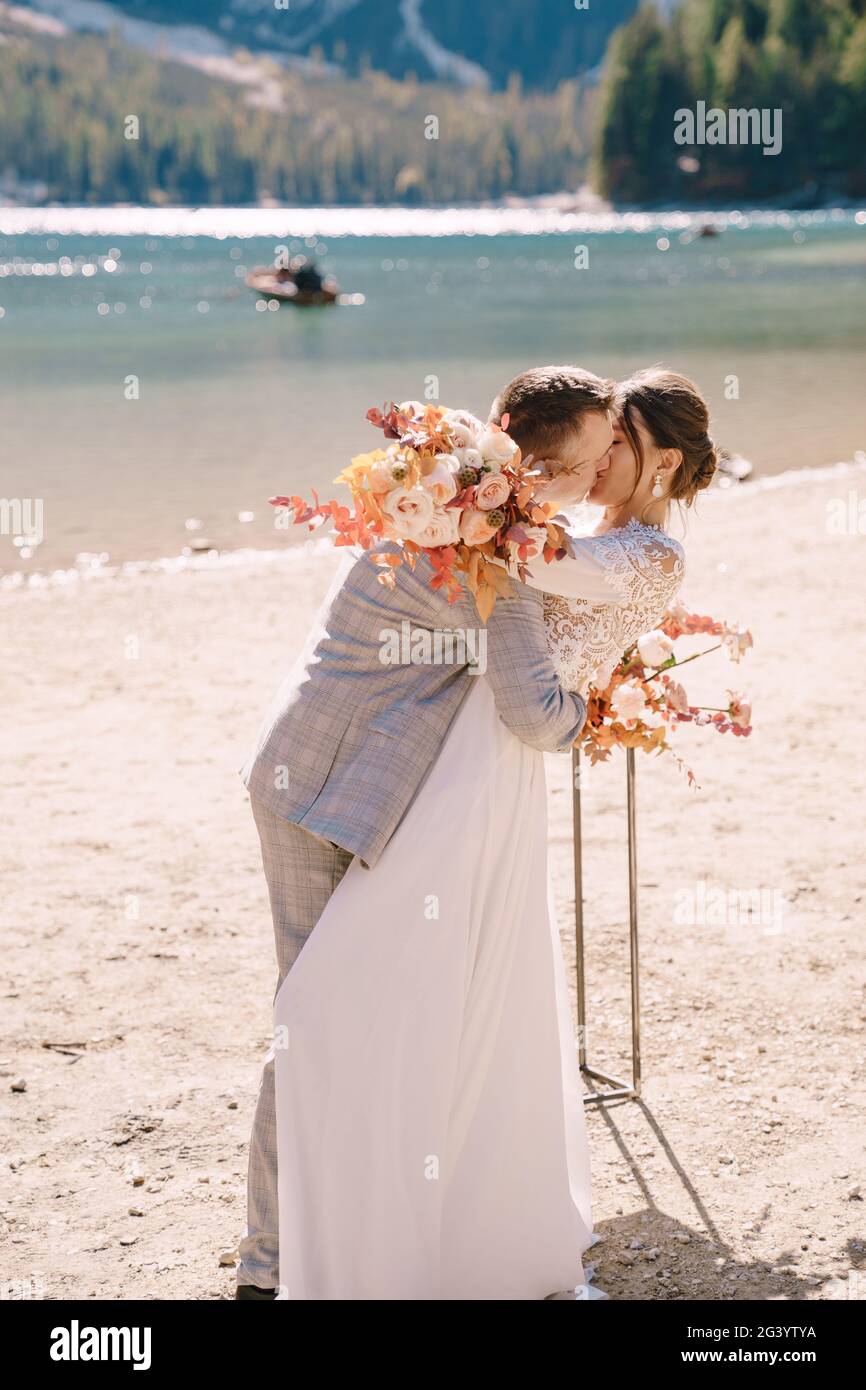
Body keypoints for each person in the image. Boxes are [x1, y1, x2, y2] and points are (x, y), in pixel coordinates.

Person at [236, 365, 714, 1299]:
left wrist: (573, 707)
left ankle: (397, 1229)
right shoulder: (508, 526)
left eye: (621, 444)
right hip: (343, 779)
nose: (605, 460)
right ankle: (280, 1261)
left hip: (441, 786)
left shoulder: (582, 545)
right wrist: (570, 714)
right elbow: (530, 678)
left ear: (662, 463)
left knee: (399, 1017)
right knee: (320, 1020)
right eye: (597, 445)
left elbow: (530, 635)